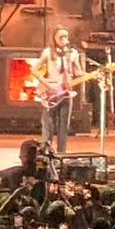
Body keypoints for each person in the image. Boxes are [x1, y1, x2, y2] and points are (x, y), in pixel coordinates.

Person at [31, 28, 84, 159]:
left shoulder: (73, 53)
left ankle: (61, 155)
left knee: (64, 126)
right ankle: (45, 154)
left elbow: (78, 72)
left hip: (66, 93)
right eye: (60, 37)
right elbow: (34, 70)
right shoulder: (48, 53)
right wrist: (47, 85)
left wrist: (94, 75)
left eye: (65, 36)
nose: (64, 39)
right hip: (51, 91)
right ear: (54, 38)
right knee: (48, 125)